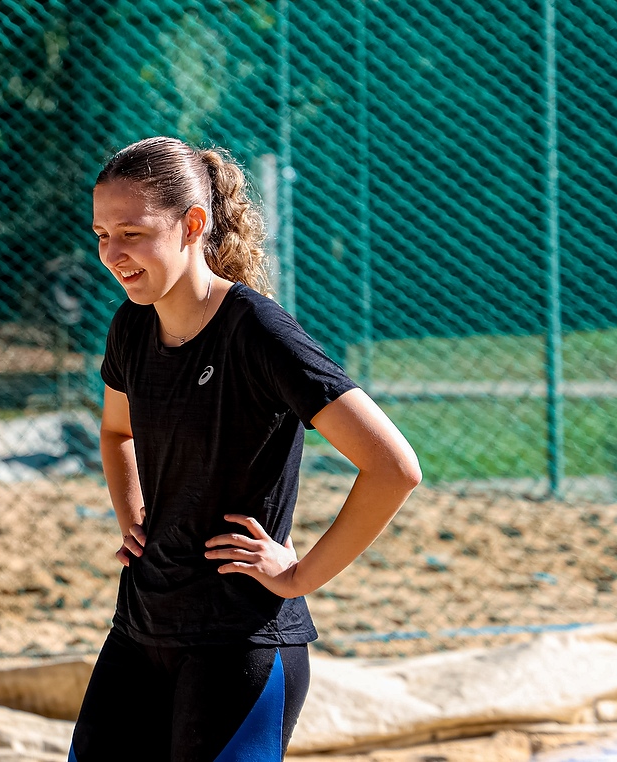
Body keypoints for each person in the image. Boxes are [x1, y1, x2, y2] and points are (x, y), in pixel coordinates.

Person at [72, 137, 422, 761]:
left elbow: (394, 467)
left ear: (192, 225)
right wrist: (133, 518)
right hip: (141, 628)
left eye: (131, 233)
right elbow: (115, 432)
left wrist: (299, 575)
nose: (112, 254)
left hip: (241, 641)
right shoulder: (131, 326)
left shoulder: (257, 331)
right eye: (102, 235)